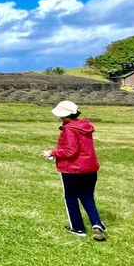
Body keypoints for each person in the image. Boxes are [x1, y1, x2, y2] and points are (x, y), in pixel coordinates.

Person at [40, 100, 106, 241]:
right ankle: (96, 223)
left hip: (73, 170)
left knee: (70, 197)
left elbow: (71, 151)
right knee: (87, 196)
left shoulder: (69, 129)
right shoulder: (84, 127)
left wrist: (52, 152)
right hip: (90, 168)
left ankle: (77, 227)